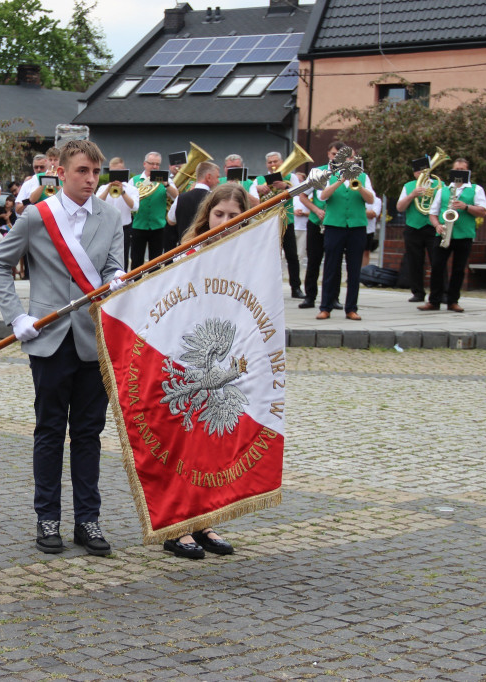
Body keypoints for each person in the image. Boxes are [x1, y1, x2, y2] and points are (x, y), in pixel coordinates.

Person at [0, 139, 124, 557]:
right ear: (60, 172)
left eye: (96, 172)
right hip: (48, 339)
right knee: (50, 432)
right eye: (82, 171)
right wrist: (16, 317)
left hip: (92, 338)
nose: (90, 179)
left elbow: (113, 267)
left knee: (88, 434)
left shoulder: (111, 215)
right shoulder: (36, 216)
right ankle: (47, 518)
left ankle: (88, 519)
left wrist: (118, 279)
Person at [162, 182, 251, 559]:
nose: (226, 221)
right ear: (206, 215)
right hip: (189, 361)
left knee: (212, 449)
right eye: (219, 214)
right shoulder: (189, 253)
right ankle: (176, 526)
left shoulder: (250, 255)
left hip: (226, 358)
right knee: (184, 446)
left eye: (234, 215)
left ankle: (204, 521)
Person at [423, 158, 486, 312]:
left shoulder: (476, 189)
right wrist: (437, 225)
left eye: (462, 170)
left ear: (467, 172)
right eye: (456, 169)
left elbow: (483, 211)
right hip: (444, 233)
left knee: (459, 269)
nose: (459, 172)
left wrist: (466, 207)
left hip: (464, 235)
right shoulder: (443, 190)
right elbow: (432, 213)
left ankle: (453, 301)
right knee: (437, 266)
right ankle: (434, 301)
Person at [317, 151, 374, 321]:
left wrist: (358, 185)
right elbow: (322, 196)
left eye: (351, 158)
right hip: (335, 226)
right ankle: (325, 307)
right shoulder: (329, 175)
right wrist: (341, 180)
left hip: (356, 227)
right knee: (330, 268)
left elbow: (371, 199)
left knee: (354, 269)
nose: (349, 160)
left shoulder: (363, 177)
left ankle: (351, 308)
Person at [298, 142, 345, 310]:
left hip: (336, 223)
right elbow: (303, 196)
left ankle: (333, 298)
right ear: (328, 154)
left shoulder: (347, 174)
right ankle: (310, 297)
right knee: (313, 261)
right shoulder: (318, 172)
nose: (335, 157)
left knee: (334, 262)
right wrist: (317, 210)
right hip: (317, 222)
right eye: (333, 154)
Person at [251, 151, 303, 298]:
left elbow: (300, 192)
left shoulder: (291, 177)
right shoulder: (260, 179)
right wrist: (258, 189)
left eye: (275, 161)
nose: (273, 165)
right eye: (270, 162)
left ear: (281, 162)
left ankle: (296, 288)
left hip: (287, 221)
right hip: (268, 223)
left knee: (292, 255)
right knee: (270, 257)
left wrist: (285, 187)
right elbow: (255, 199)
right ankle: (268, 288)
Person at [396, 156, 443, 304]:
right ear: (414, 173)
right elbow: (400, 207)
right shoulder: (409, 186)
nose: (421, 174)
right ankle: (417, 292)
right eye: (418, 172)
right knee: (415, 262)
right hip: (413, 228)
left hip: (433, 227)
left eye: (424, 171)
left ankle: (441, 292)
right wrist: (412, 195)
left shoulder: (439, 185)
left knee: (438, 261)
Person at [131, 151, 178, 268]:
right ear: (144, 164)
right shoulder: (134, 180)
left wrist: (166, 184)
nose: (155, 167)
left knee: (156, 261)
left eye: (157, 164)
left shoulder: (165, 179)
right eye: (152, 163)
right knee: (136, 260)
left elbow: (176, 196)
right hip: (138, 225)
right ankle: (135, 285)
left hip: (158, 226)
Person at [96, 157, 139, 269]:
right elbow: (96, 204)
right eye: (113, 172)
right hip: (106, 228)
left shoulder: (131, 189)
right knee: (104, 257)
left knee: (123, 257)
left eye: (119, 172)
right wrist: (107, 189)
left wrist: (123, 192)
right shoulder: (103, 188)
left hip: (124, 228)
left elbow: (134, 207)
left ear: (124, 171)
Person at [168, 161, 220, 248]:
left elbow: (171, 221)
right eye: (217, 177)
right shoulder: (214, 198)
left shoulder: (180, 197)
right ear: (209, 177)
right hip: (206, 248)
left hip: (184, 249)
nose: (218, 181)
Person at [363, 194, 382, 268]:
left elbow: (373, 214)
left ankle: (362, 274)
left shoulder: (376, 200)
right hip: (352, 228)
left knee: (366, 252)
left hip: (368, 230)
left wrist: (358, 209)